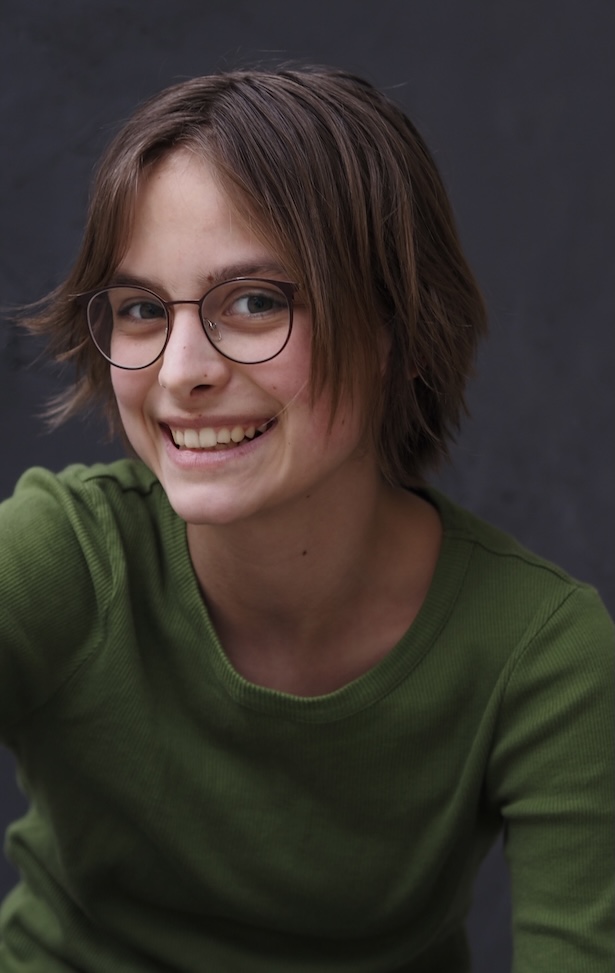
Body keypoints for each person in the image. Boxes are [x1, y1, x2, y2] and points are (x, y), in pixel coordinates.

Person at [0, 65, 612, 973]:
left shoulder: (540, 651)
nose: (181, 371)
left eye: (255, 301)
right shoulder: (62, 560)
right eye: (141, 310)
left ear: (400, 333)